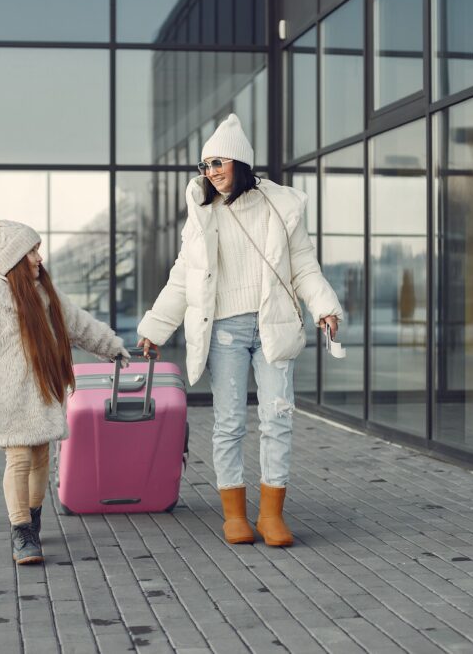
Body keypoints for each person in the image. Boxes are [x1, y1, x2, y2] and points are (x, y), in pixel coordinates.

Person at [137, 114, 343, 547]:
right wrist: (155, 328)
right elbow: (183, 277)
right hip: (224, 332)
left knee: (277, 419)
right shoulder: (201, 213)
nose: (210, 172)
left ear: (240, 161)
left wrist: (324, 307)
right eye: (205, 166)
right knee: (230, 422)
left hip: (273, 325)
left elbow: (303, 265)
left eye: (217, 163)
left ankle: (271, 516)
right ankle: (234, 515)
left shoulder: (280, 206)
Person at [0, 212, 130, 565]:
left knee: (39, 459)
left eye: (38, 249)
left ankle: (32, 519)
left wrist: (110, 347)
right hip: (9, 396)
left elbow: (78, 323)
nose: (39, 257)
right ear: (12, 259)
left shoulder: (44, 292)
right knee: (18, 459)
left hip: (43, 390)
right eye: (32, 251)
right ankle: (21, 531)